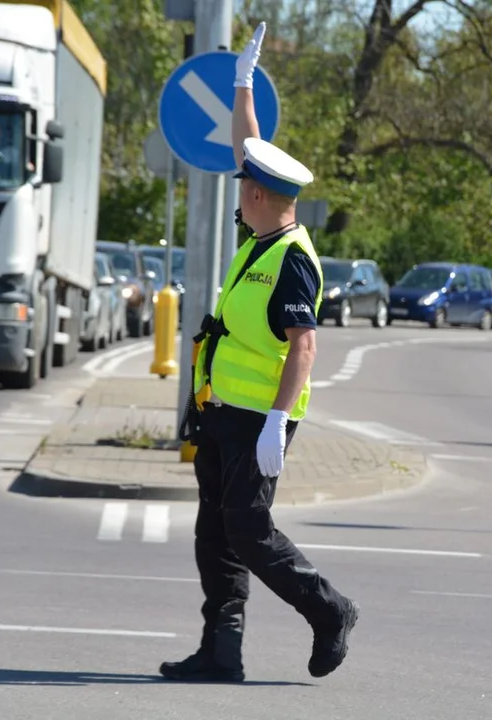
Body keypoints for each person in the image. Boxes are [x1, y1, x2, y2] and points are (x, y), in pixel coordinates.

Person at [162, 22, 359, 684]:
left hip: (258, 418)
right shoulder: (261, 238)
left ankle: (330, 610)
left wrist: (279, 420)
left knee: (247, 528)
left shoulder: (292, 262)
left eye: (244, 185)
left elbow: (305, 347)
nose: (238, 189)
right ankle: (222, 649)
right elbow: (248, 142)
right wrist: (242, 83)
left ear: (254, 197)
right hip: (223, 408)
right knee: (214, 533)